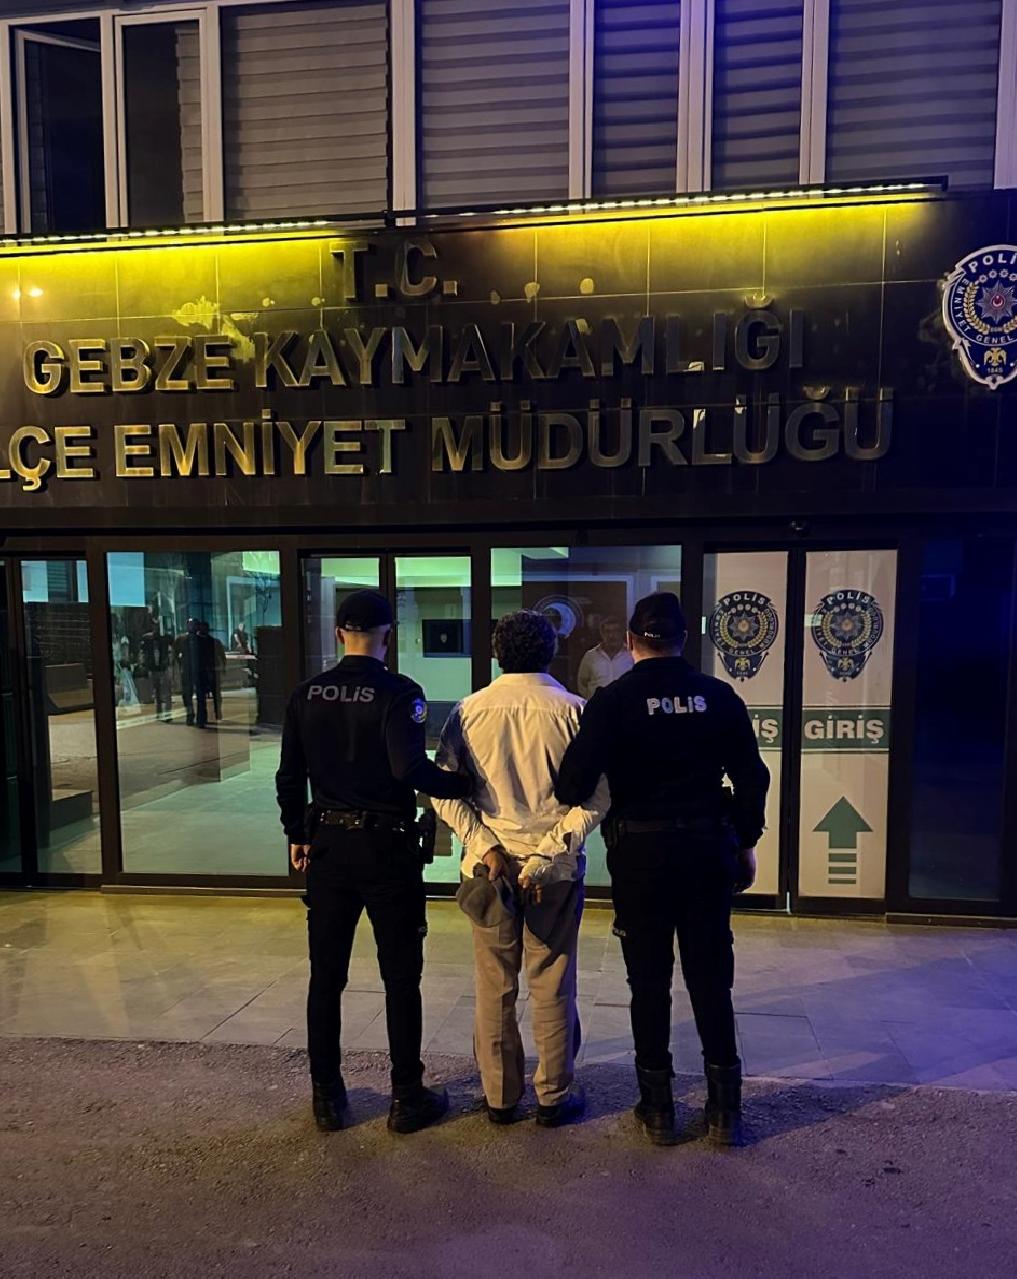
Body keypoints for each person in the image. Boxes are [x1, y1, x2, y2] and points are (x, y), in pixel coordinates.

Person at [555, 592, 769, 1147]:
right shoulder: (718, 696)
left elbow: (572, 785)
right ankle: (725, 1112)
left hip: (640, 857)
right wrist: (746, 841)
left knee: (648, 982)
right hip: (706, 850)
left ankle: (657, 1110)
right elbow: (752, 778)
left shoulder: (613, 700)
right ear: (683, 640)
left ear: (631, 641)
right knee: (710, 978)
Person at [275, 589, 472, 1136]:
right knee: (401, 977)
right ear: (389, 635)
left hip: (328, 848)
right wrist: (464, 786)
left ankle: (327, 1098)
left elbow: (289, 775)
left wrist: (297, 832)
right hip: (387, 851)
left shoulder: (306, 694)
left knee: (326, 977)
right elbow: (409, 769)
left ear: (339, 633)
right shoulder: (399, 692)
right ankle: (407, 1096)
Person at [433, 611, 609, 1128]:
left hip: (487, 873)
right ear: (552, 651)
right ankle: (553, 1095)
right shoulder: (575, 711)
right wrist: (547, 853)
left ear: (496, 653)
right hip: (554, 873)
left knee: (494, 985)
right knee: (552, 981)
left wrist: (487, 847)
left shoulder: (467, 711)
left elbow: (444, 792)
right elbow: (599, 798)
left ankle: (500, 1097)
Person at [576, 616, 634, 698]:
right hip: (597, 704)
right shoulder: (590, 656)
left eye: (616, 631)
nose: (611, 635)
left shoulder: (631, 655)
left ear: (622, 633)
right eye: (607, 631)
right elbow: (582, 684)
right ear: (601, 634)